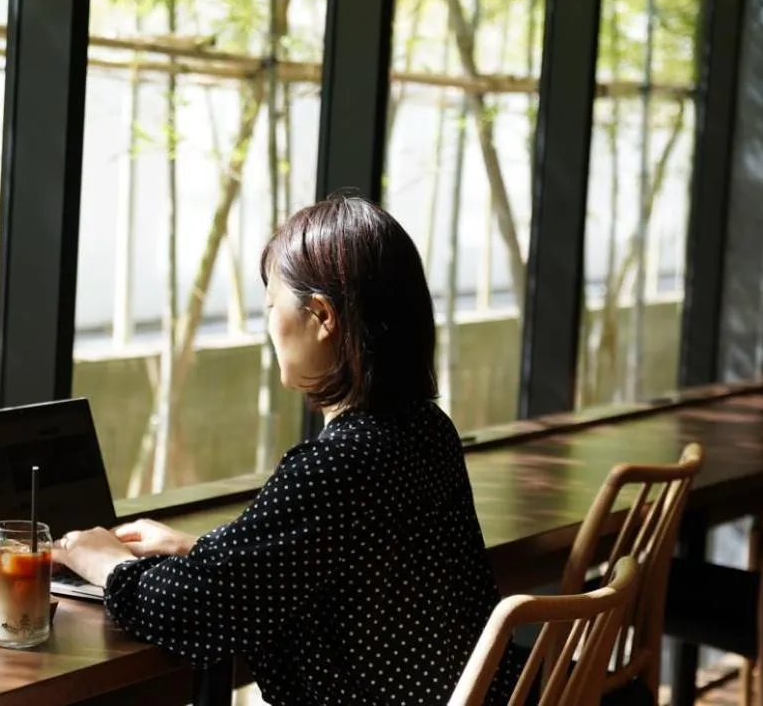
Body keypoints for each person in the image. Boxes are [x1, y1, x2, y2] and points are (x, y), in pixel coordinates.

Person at [54, 195, 523, 706]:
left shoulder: (337, 465)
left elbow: (198, 613)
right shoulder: (426, 430)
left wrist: (107, 564)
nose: (269, 325)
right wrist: (200, 550)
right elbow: (323, 559)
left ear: (321, 315)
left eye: (271, 306)